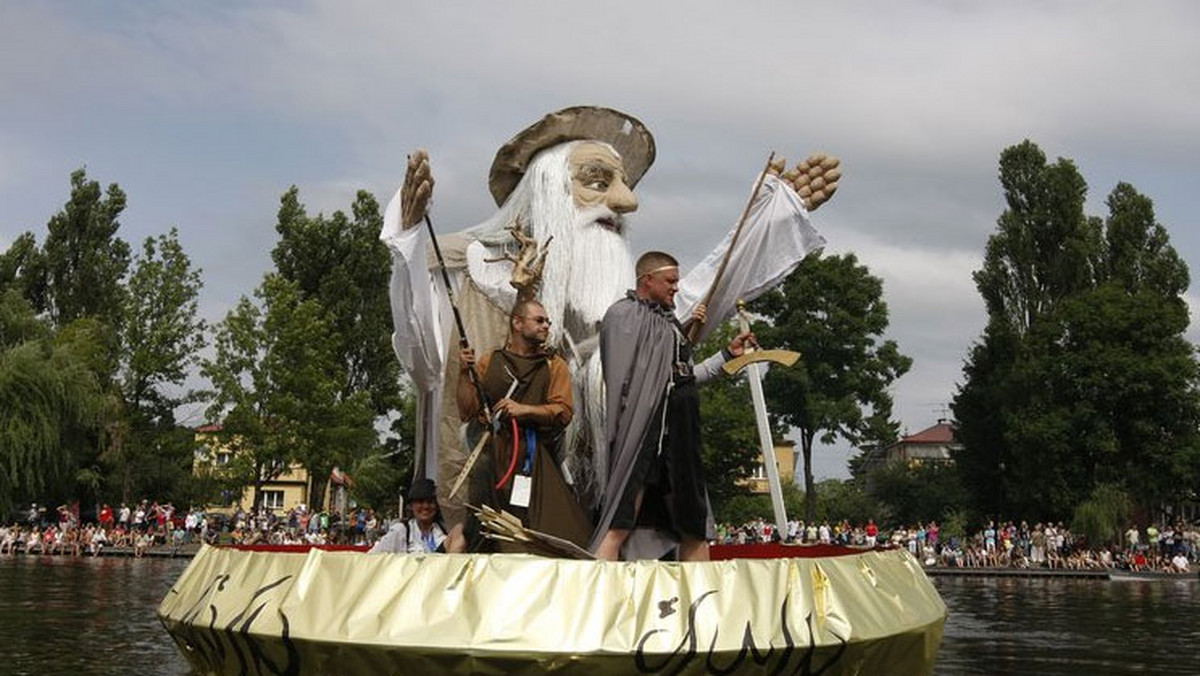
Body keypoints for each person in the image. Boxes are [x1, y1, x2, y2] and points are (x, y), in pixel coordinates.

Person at [381, 106, 832, 526]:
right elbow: (420, 354)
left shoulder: (622, 308)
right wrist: (409, 244)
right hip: (492, 515)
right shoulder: (470, 273)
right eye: (597, 181)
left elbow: (692, 304)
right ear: (547, 191)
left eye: (624, 184)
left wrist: (768, 222)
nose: (626, 201)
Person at [590, 251, 755, 562]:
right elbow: (626, 381)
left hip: (679, 433)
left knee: (694, 523)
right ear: (647, 280)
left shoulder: (669, 326)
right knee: (620, 519)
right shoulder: (623, 316)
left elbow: (685, 377)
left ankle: (703, 603)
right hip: (642, 432)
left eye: (677, 281)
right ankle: (600, 595)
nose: (676, 288)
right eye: (670, 281)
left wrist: (726, 356)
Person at [454, 299, 591, 551]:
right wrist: (464, 373)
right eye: (539, 320)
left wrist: (524, 410)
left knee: (558, 538)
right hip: (491, 459)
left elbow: (563, 411)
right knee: (481, 539)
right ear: (517, 323)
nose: (546, 326)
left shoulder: (554, 365)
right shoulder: (488, 361)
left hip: (534, 459)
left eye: (547, 321)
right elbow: (467, 411)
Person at [369, 479, 449, 554]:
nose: (426, 506)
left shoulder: (444, 531)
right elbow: (372, 558)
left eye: (430, 502)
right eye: (420, 502)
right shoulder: (400, 531)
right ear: (411, 505)